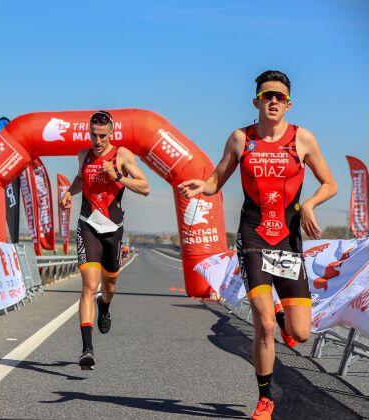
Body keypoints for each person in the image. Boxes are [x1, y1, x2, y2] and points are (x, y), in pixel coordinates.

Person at [178, 70, 337, 420]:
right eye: (267, 95)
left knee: (301, 333)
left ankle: (283, 316)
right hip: (253, 238)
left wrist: (309, 205)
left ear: (289, 103)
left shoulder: (303, 139)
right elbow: (217, 179)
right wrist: (200, 187)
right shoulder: (240, 138)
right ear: (257, 101)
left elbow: (330, 184)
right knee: (262, 324)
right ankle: (265, 399)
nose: (274, 101)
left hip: (288, 241)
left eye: (280, 96)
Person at [59, 110, 150, 370]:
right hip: (87, 225)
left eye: (102, 135)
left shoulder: (121, 156)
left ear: (111, 133)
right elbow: (80, 178)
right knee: (89, 285)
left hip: (113, 229)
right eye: (93, 135)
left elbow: (145, 187)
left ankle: (105, 306)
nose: (97, 140)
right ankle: (87, 349)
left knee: (109, 287)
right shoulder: (83, 156)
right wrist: (68, 194)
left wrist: (118, 176)